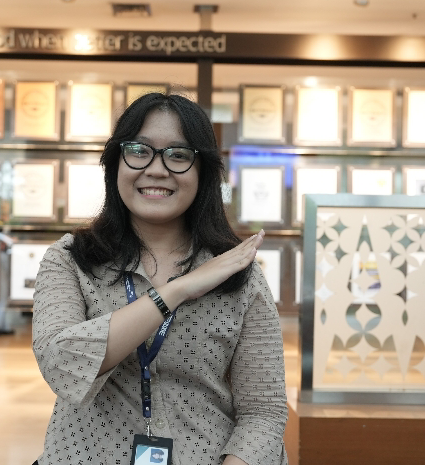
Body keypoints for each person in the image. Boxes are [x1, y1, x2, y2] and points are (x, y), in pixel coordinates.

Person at [32, 93, 287, 465]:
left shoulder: (236, 274)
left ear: (203, 172)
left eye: (178, 155)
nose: (156, 169)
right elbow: (61, 364)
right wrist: (176, 290)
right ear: (115, 163)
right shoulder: (70, 258)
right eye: (139, 150)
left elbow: (263, 412)